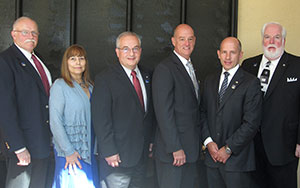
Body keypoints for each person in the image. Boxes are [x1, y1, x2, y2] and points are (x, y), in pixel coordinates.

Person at [91, 31, 155, 188]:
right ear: (117, 52)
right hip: (117, 157)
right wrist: (109, 150)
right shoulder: (105, 79)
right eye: (125, 49)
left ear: (140, 51)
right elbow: (100, 119)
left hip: (141, 155)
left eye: (135, 48)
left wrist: (151, 140)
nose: (131, 53)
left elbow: (149, 113)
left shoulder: (148, 75)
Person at [242, 22, 300, 188]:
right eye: (267, 37)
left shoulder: (297, 66)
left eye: (277, 37)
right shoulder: (248, 65)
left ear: (284, 40)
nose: (271, 41)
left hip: (284, 146)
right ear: (262, 39)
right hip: (252, 147)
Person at [201, 37, 262, 188]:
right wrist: (208, 142)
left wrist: (228, 149)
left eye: (232, 52)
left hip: (237, 162)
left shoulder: (251, 82)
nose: (228, 57)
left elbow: (251, 123)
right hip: (212, 159)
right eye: (224, 52)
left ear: (240, 54)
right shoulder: (209, 80)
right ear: (218, 54)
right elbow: (202, 113)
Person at [0, 16, 52, 188]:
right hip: (23, 147)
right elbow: (5, 108)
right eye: (25, 32)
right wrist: (18, 147)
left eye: (34, 32)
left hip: (42, 144)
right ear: (13, 35)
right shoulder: (5, 61)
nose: (31, 36)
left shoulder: (39, 60)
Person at [152, 24, 200, 188]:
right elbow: (163, 112)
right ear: (173, 41)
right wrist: (175, 148)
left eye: (190, 39)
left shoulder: (191, 66)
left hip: (191, 150)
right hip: (173, 153)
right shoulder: (165, 69)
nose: (187, 43)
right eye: (182, 39)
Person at [49, 44, 99, 188]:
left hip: (89, 150)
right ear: (66, 62)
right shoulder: (60, 86)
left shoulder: (91, 86)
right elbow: (55, 121)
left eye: (81, 58)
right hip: (71, 152)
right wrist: (69, 151)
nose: (78, 62)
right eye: (73, 59)